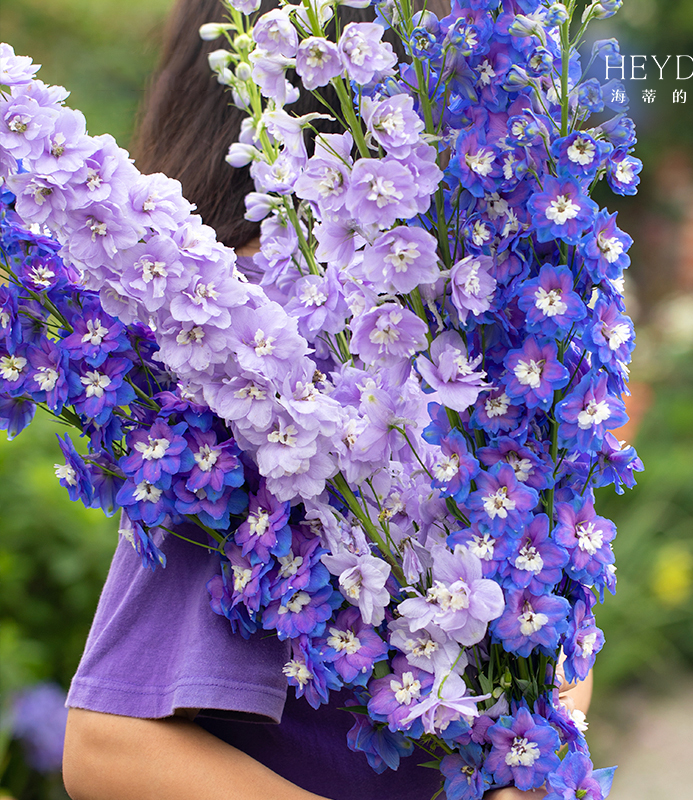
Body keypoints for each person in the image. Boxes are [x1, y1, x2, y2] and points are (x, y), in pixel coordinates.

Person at [61, 2, 593, 798]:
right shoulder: (249, 340)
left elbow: (551, 631)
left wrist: (535, 754)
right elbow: (108, 747)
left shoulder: (467, 330)